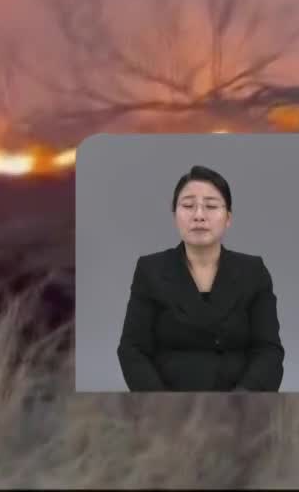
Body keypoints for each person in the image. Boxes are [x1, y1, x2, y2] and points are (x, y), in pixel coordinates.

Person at [116, 164, 283, 392]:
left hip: (241, 404)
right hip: (166, 404)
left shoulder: (253, 271)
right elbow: (132, 349)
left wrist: (243, 397)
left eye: (211, 206)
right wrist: (157, 401)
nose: (199, 216)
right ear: (175, 216)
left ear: (228, 218)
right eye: (188, 206)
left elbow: (269, 351)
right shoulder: (150, 270)